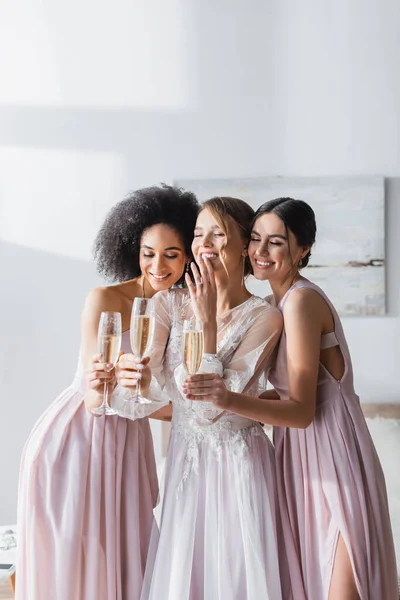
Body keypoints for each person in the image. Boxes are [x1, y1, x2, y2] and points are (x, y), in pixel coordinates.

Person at [184, 197, 398, 600]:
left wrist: (226, 399)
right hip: (295, 456)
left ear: (303, 250)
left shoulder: (300, 301)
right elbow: (282, 392)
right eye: (256, 240)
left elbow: (300, 411)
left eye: (277, 243)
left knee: (340, 577)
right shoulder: (272, 305)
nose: (261, 253)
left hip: (331, 451)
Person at [15, 185, 199, 600]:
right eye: (148, 251)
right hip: (77, 439)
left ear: (188, 255)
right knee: (76, 562)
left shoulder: (186, 309)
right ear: (132, 248)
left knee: (127, 555)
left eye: (172, 253)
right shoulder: (105, 300)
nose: (158, 264)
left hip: (129, 442)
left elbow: (171, 401)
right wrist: (109, 381)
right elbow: (94, 397)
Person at [116, 197, 290, 600]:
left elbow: (211, 408)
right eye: (198, 233)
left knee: (236, 576)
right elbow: (141, 398)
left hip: (238, 464)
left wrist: (207, 323)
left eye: (217, 233)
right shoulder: (167, 303)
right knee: (183, 576)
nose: (204, 242)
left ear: (245, 245)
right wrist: (126, 379)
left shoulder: (264, 317)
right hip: (184, 463)